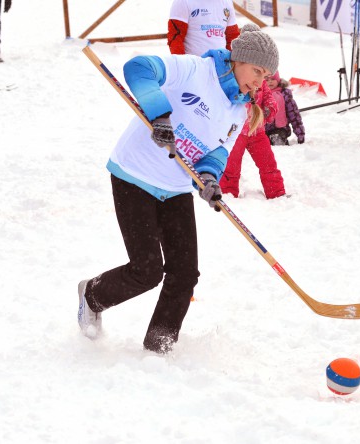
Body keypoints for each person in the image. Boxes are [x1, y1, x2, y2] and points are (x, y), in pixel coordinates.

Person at [77, 30, 279, 354]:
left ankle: (158, 347)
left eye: (266, 76)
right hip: (134, 175)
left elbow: (217, 153)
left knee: (185, 273)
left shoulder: (239, 112)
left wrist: (210, 178)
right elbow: (139, 68)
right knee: (147, 270)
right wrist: (159, 114)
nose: (260, 83)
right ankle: (92, 295)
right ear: (240, 59)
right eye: (257, 71)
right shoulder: (196, 70)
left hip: (175, 187)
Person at [219, 24, 285, 199]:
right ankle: (228, 193)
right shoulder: (238, 77)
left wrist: (270, 108)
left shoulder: (260, 80)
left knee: (268, 164)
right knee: (231, 166)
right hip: (237, 133)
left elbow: (269, 97)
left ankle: (276, 193)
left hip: (257, 131)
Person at [167, 0, 240, 55]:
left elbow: (233, 36)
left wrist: (231, 64)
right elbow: (175, 38)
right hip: (194, 66)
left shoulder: (227, 2)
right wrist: (182, 64)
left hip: (221, 66)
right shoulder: (183, 2)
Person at [265, 71, 305, 146]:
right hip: (262, 130)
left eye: (273, 79)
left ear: (278, 80)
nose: (270, 82)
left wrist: (300, 134)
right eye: (267, 80)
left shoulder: (285, 95)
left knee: (277, 140)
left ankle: (281, 148)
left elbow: (294, 115)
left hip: (280, 129)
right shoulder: (259, 95)